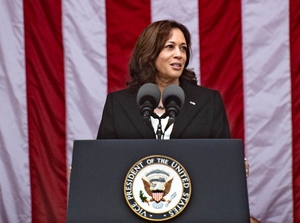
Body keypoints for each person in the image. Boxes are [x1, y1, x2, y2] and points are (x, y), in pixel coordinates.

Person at [97, 19, 231, 140]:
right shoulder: (118, 104)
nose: (179, 55)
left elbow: (223, 157)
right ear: (150, 53)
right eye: (170, 47)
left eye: (183, 48)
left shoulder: (208, 102)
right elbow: (104, 158)